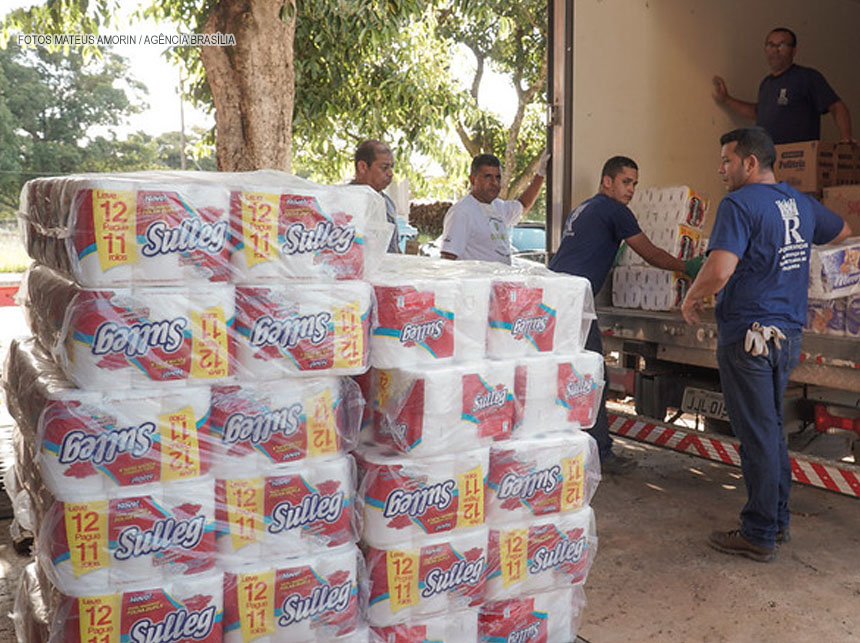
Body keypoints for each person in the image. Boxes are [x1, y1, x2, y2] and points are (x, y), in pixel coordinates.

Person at [681, 127, 850, 562]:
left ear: (750, 163)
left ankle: (758, 533)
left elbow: (719, 269)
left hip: (749, 337)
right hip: (787, 336)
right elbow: (842, 231)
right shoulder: (799, 202)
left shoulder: (739, 204)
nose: (721, 169)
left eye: (727, 161)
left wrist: (691, 295)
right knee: (771, 431)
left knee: (758, 436)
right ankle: (777, 521)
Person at [549, 156, 703, 474]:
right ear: (607, 181)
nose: (631, 189)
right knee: (594, 378)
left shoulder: (586, 208)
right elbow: (650, 253)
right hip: (573, 300)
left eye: (635, 183)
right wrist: (687, 267)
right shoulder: (615, 210)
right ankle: (601, 454)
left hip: (555, 295)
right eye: (626, 181)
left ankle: (566, 446)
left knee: (570, 376)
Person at [712, 27, 854, 145]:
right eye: (770, 45)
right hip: (769, 162)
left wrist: (846, 140)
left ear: (793, 51)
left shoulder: (807, 77)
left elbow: (837, 107)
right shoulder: (766, 84)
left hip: (799, 161)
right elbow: (757, 113)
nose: (775, 50)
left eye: (781, 45)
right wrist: (726, 99)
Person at [441, 152, 546, 264]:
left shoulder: (499, 207)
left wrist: (540, 174)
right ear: (472, 180)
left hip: (502, 280)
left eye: (498, 178)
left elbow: (523, 205)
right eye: (488, 177)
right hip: (478, 280)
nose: (494, 183)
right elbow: (448, 258)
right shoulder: (461, 212)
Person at [353, 139, 400, 253]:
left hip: (388, 269)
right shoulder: (346, 200)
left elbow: (394, 246)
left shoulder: (388, 203)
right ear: (363, 167)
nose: (390, 173)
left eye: (391, 167)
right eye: (384, 167)